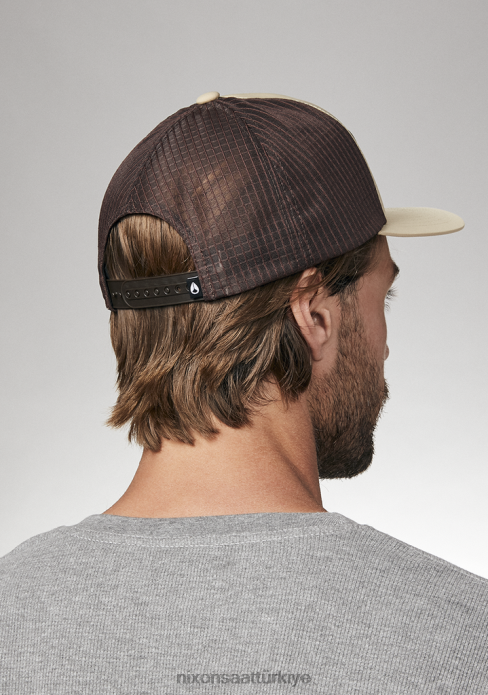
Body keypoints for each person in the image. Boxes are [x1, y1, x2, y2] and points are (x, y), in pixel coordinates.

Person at [1, 92, 486, 693]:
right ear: (315, 316)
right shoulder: (464, 640)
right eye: (382, 296)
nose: (385, 348)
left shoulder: (12, 619)